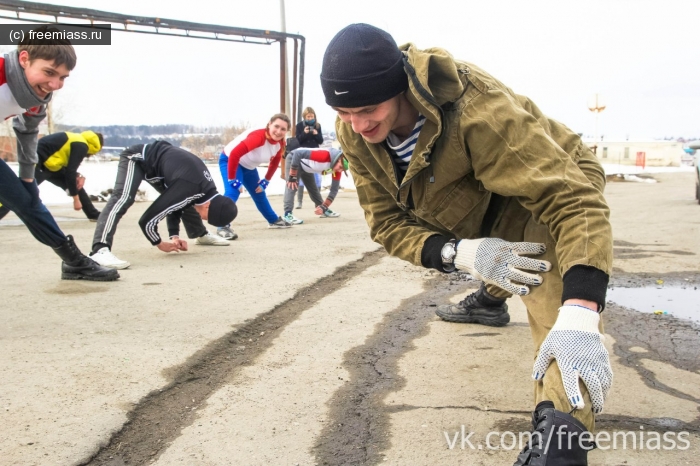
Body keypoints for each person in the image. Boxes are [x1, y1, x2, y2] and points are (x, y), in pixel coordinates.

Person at [321, 24, 613, 465]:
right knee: (497, 257)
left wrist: (581, 311)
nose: (358, 126)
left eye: (367, 109)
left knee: (555, 310)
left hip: (548, 187)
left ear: (399, 88)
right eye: (343, 113)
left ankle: (560, 439)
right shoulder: (354, 132)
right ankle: (489, 299)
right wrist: (459, 253)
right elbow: (386, 224)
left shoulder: (478, 110)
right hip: (474, 211)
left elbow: (573, 203)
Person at [0, 26, 118, 281]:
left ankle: (74, 262)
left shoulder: (37, 96)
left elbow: (28, 130)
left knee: (29, 201)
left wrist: (28, 177)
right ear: (24, 59)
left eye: (63, 77)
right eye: (49, 72)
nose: (55, 85)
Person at [90, 140, 237, 270]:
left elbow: (176, 204)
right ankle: (99, 250)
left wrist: (174, 236)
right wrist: (159, 243)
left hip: (166, 169)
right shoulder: (190, 187)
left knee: (188, 201)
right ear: (208, 206)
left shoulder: (206, 189)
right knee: (123, 198)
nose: (203, 218)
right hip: (137, 158)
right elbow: (146, 221)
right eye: (206, 218)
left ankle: (200, 234)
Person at [0, 130, 104, 222]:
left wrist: (78, 176)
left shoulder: (76, 139)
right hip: (38, 163)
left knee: (76, 185)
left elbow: (68, 167)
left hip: (50, 165)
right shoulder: (82, 145)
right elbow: (70, 173)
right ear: (96, 147)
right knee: (19, 192)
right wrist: (75, 199)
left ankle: (93, 214)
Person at [217, 113, 292, 237]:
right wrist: (232, 179)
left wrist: (266, 180)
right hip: (230, 160)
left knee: (259, 192)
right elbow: (235, 154)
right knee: (233, 191)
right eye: (276, 126)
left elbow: (275, 162)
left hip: (249, 167)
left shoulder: (280, 143)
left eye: (283, 129)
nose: (278, 131)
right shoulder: (258, 137)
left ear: (286, 131)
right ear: (269, 124)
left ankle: (273, 221)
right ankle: (222, 226)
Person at [282, 147, 346, 224]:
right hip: (294, 159)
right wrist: (292, 175)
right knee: (292, 185)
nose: (340, 171)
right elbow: (297, 154)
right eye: (340, 167)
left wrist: (324, 206)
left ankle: (322, 208)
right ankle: (287, 214)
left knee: (313, 188)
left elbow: (334, 189)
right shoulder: (324, 156)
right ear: (338, 160)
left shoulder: (338, 169)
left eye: (343, 170)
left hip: (307, 167)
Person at [293, 107, 324, 210]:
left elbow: (320, 141)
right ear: (304, 117)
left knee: (317, 178)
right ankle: (299, 201)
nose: (310, 118)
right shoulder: (299, 126)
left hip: (315, 153)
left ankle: (318, 203)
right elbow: (297, 140)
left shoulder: (317, 126)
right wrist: (305, 133)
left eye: (312, 116)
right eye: (308, 116)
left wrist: (316, 134)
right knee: (302, 179)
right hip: (303, 153)